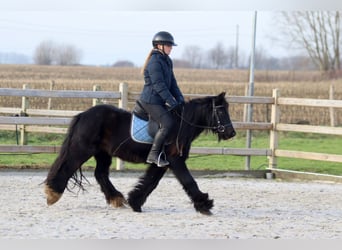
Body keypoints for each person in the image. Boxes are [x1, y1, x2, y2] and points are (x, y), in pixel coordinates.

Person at [138, 31, 185, 167]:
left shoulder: (167, 61)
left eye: (171, 46)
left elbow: (172, 83)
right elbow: (159, 86)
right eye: (169, 45)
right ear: (159, 46)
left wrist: (180, 99)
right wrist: (171, 101)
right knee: (167, 124)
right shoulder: (154, 62)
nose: (171, 48)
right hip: (150, 100)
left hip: (159, 100)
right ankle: (153, 154)